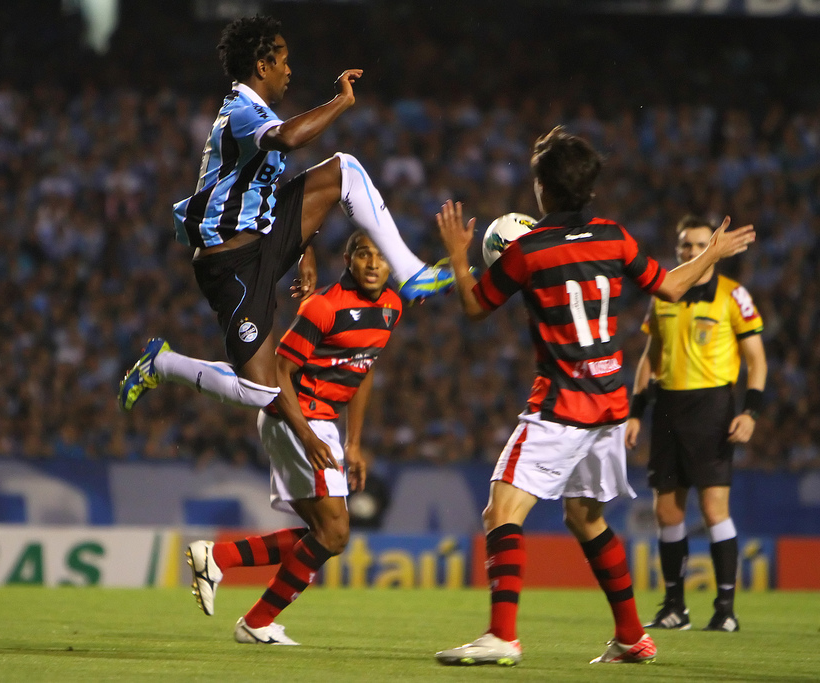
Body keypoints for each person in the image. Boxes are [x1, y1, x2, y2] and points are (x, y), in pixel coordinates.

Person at [431, 126, 756, 666]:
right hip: (608, 404)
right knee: (585, 518)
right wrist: (712, 253)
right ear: (589, 188)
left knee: (501, 511)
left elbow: (474, 306)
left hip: (561, 403)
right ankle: (632, 637)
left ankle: (502, 636)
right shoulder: (613, 235)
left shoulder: (528, 250)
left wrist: (458, 256)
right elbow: (672, 286)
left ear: (543, 189)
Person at [117, 14, 452, 415]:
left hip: (265, 242)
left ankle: (412, 274)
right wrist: (341, 102)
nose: (289, 70)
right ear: (263, 67)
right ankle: (164, 363)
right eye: (283, 61)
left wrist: (302, 249)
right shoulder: (241, 111)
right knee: (262, 392)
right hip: (231, 265)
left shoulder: (255, 112)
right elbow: (289, 138)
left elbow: (264, 192)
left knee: (343, 170)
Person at [185, 231, 402, 645]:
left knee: (325, 532)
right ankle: (255, 617)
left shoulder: (392, 307)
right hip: (296, 418)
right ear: (348, 260)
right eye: (363, 254)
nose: (373, 263)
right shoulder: (323, 307)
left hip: (322, 424)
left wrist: (354, 442)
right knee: (334, 533)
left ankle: (222, 560)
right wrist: (306, 436)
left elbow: (365, 367)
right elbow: (280, 374)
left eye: (380, 256)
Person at [626, 215, 767, 633]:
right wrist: (635, 412)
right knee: (667, 510)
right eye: (685, 245)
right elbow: (649, 358)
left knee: (712, 507)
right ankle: (675, 607)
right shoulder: (663, 294)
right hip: (667, 407)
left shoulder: (733, 295)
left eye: (700, 244)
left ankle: (725, 609)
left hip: (713, 408)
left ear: (716, 247)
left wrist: (750, 411)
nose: (691, 252)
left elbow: (757, 360)